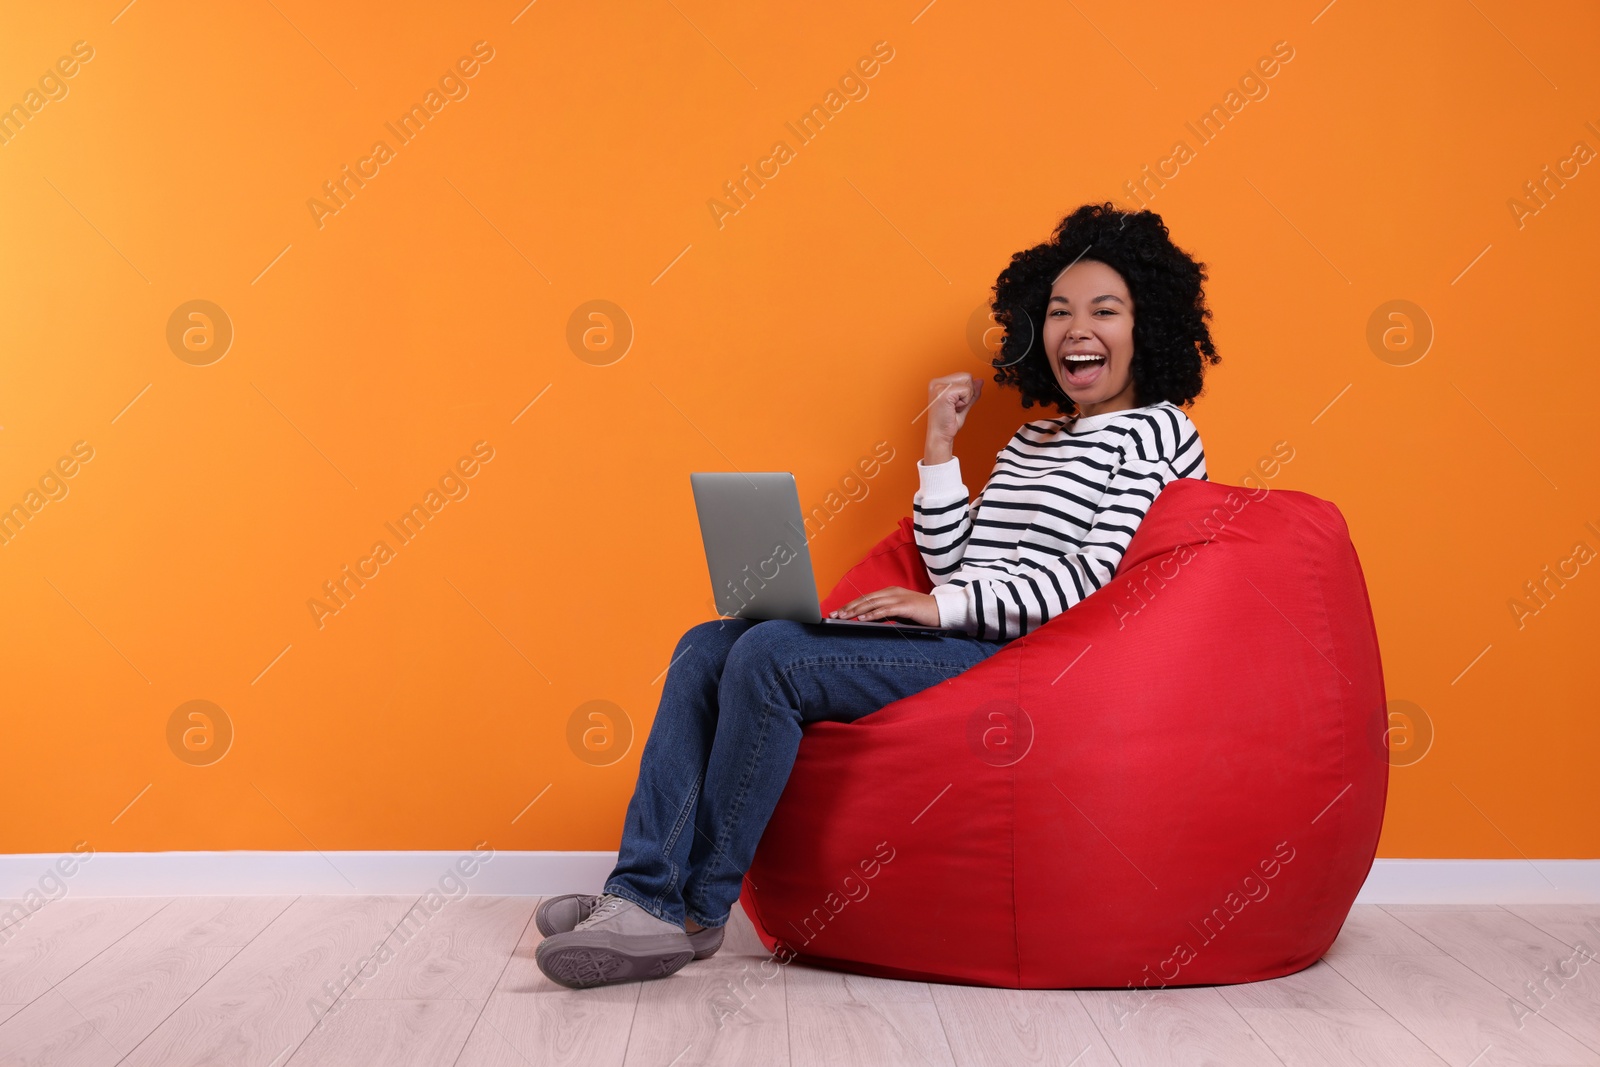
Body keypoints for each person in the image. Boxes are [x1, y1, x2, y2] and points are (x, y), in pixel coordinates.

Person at [533, 201, 1219, 989]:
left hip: (1016, 661)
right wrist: (938, 450)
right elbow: (956, 561)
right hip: (961, 634)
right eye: (1059, 311)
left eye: (1105, 310)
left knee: (772, 660)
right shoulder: (1033, 440)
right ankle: (641, 891)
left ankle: (693, 909)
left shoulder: (1160, 432)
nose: (1076, 329)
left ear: (1150, 326)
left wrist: (940, 609)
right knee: (708, 643)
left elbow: (1092, 580)